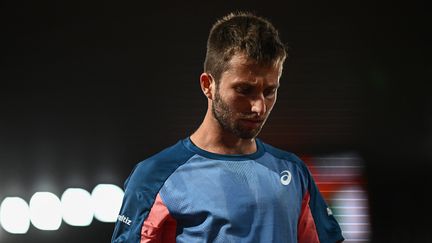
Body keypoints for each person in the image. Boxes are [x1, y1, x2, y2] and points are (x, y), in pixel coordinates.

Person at [111, 11, 344, 243]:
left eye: (269, 91)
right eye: (244, 90)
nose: (259, 107)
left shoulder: (294, 172)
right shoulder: (154, 177)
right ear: (208, 85)